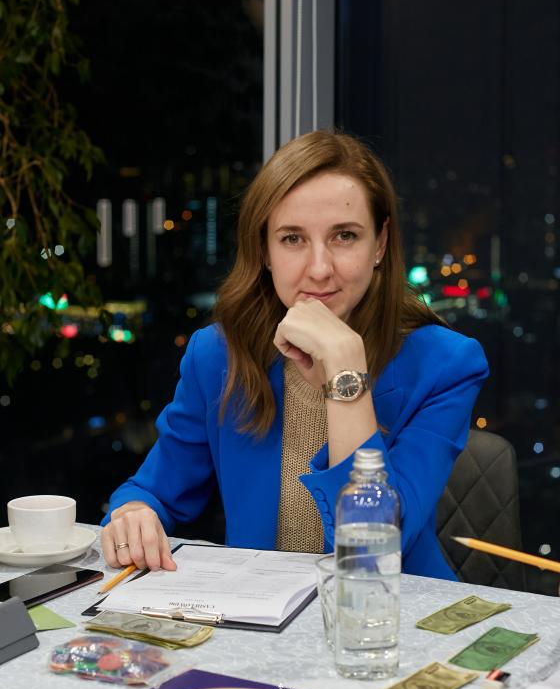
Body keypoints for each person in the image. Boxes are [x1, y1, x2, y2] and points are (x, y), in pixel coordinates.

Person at [100, 130, 488, 580]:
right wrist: (133, 514)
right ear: (265, 250)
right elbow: (151, 492)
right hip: (261, 614)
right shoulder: (218, 356)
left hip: (393, 611)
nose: (319, 269)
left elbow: (370, 551)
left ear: (380, 244)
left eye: (345, 236)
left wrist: (345, 371)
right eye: (292, 239)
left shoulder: (447, 365)